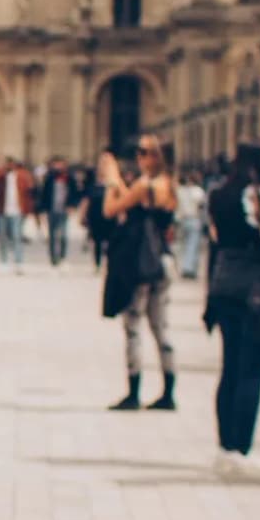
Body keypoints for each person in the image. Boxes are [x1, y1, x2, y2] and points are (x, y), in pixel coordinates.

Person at [203, 141, 260, 477]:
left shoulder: (218, 195)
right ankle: (242, 447)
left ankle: (224, 446)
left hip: (225, 283)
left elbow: (217, 235)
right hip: (257, 289)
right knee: (252, 370)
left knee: (230, 368)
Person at [100, 136, 177, 411]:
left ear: (157, 157)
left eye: (144, 152)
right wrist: (120, 180)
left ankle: (133, 392)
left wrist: (111, 180)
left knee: (133, 326)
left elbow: (111, 208)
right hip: (163, 261)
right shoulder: (167, 184)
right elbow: (133, 202)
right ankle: (169, 391)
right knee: (161, 328)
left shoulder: (146, 184)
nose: (140, 157)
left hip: (141, 264)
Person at [0, 152, 35, 273]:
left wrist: (28, 209)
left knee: (16, 236)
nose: (8, 166)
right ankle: (3, 261)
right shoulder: (0, 177)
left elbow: (29, 193)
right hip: (2, 210)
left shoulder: (22, 176)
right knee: (2, 237)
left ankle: (18, 261)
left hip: (17, 210)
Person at [175, 169, 207, 279]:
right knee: (192, 245)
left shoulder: (180, 191)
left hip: (182, 220)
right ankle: (189, 268)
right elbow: (201, 206)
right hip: (194, 219)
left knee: (184, 245)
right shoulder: (198, 191)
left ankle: (185, 266)